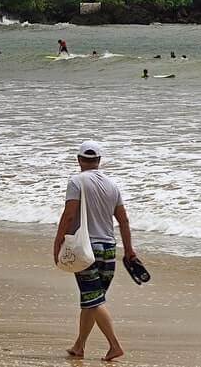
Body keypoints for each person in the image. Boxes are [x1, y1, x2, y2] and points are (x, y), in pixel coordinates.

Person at [53, 142, 135, 362]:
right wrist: (129, 251)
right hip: (109, 249)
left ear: (79, 160)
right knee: (93, 299)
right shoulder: (112, 185)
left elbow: (69, 215)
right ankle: (79, 346)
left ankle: (115, 346)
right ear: (99, 160)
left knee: (94, 300)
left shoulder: (76, 181)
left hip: (87, 249)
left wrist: (58, 241)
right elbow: (123, 220)